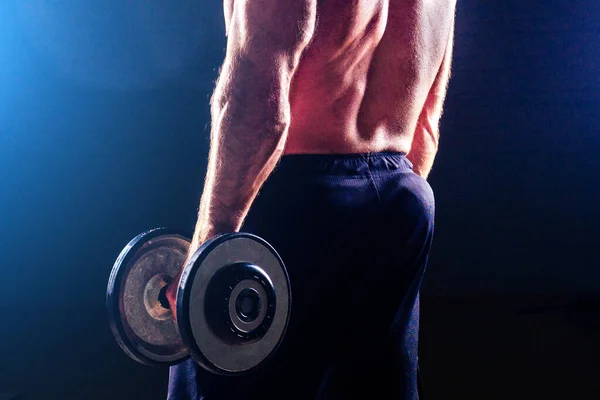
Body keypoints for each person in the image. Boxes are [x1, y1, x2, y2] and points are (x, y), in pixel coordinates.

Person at [166, 0, 456, 398]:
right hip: (403, 201)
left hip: (298, 205)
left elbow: (257, 101)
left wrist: (206, 251)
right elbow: (426, 128)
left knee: (212, 371)